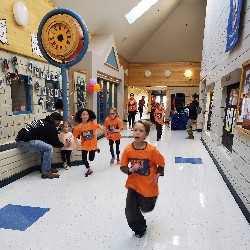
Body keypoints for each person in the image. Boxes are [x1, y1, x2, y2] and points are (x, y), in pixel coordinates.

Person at [120, 120, 165, 238]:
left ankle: (152, 199)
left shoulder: (151, 151)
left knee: (146, 207)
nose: (137, 133)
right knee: (130, 210)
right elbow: (123, 166)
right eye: (135, 130)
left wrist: (159, 173)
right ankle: (139, 228)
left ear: (146, 135)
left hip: (148, 185)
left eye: (141, 131)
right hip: (133, 184)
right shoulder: (128, 149)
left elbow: (161, 163)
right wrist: (130, 170)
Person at [15, 112, 70, 179]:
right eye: (59, 121)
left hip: (21, 140)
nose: (59, 123)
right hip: (25, 142)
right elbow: (55, 143)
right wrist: (64, 145)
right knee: (48, 148)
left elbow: (45, 137)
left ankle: (46, 168)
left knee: (46, 146)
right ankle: (46, 172)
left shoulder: (44, 122)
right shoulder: (50, 126)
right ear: (56, 121)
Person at [73, 108, 104, 177]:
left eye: (87, 114)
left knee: (91, 159)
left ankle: (96, 149)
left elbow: (99, 126)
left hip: (92, 145)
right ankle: (89, 169)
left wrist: (102, 127)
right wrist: (77, 144)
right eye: (83, 114)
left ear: (89, 116)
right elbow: (74, 137)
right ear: (80, 116)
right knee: (84, 159)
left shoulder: (92, 124)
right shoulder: (78, 127)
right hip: (84, 146)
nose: (85, 116)